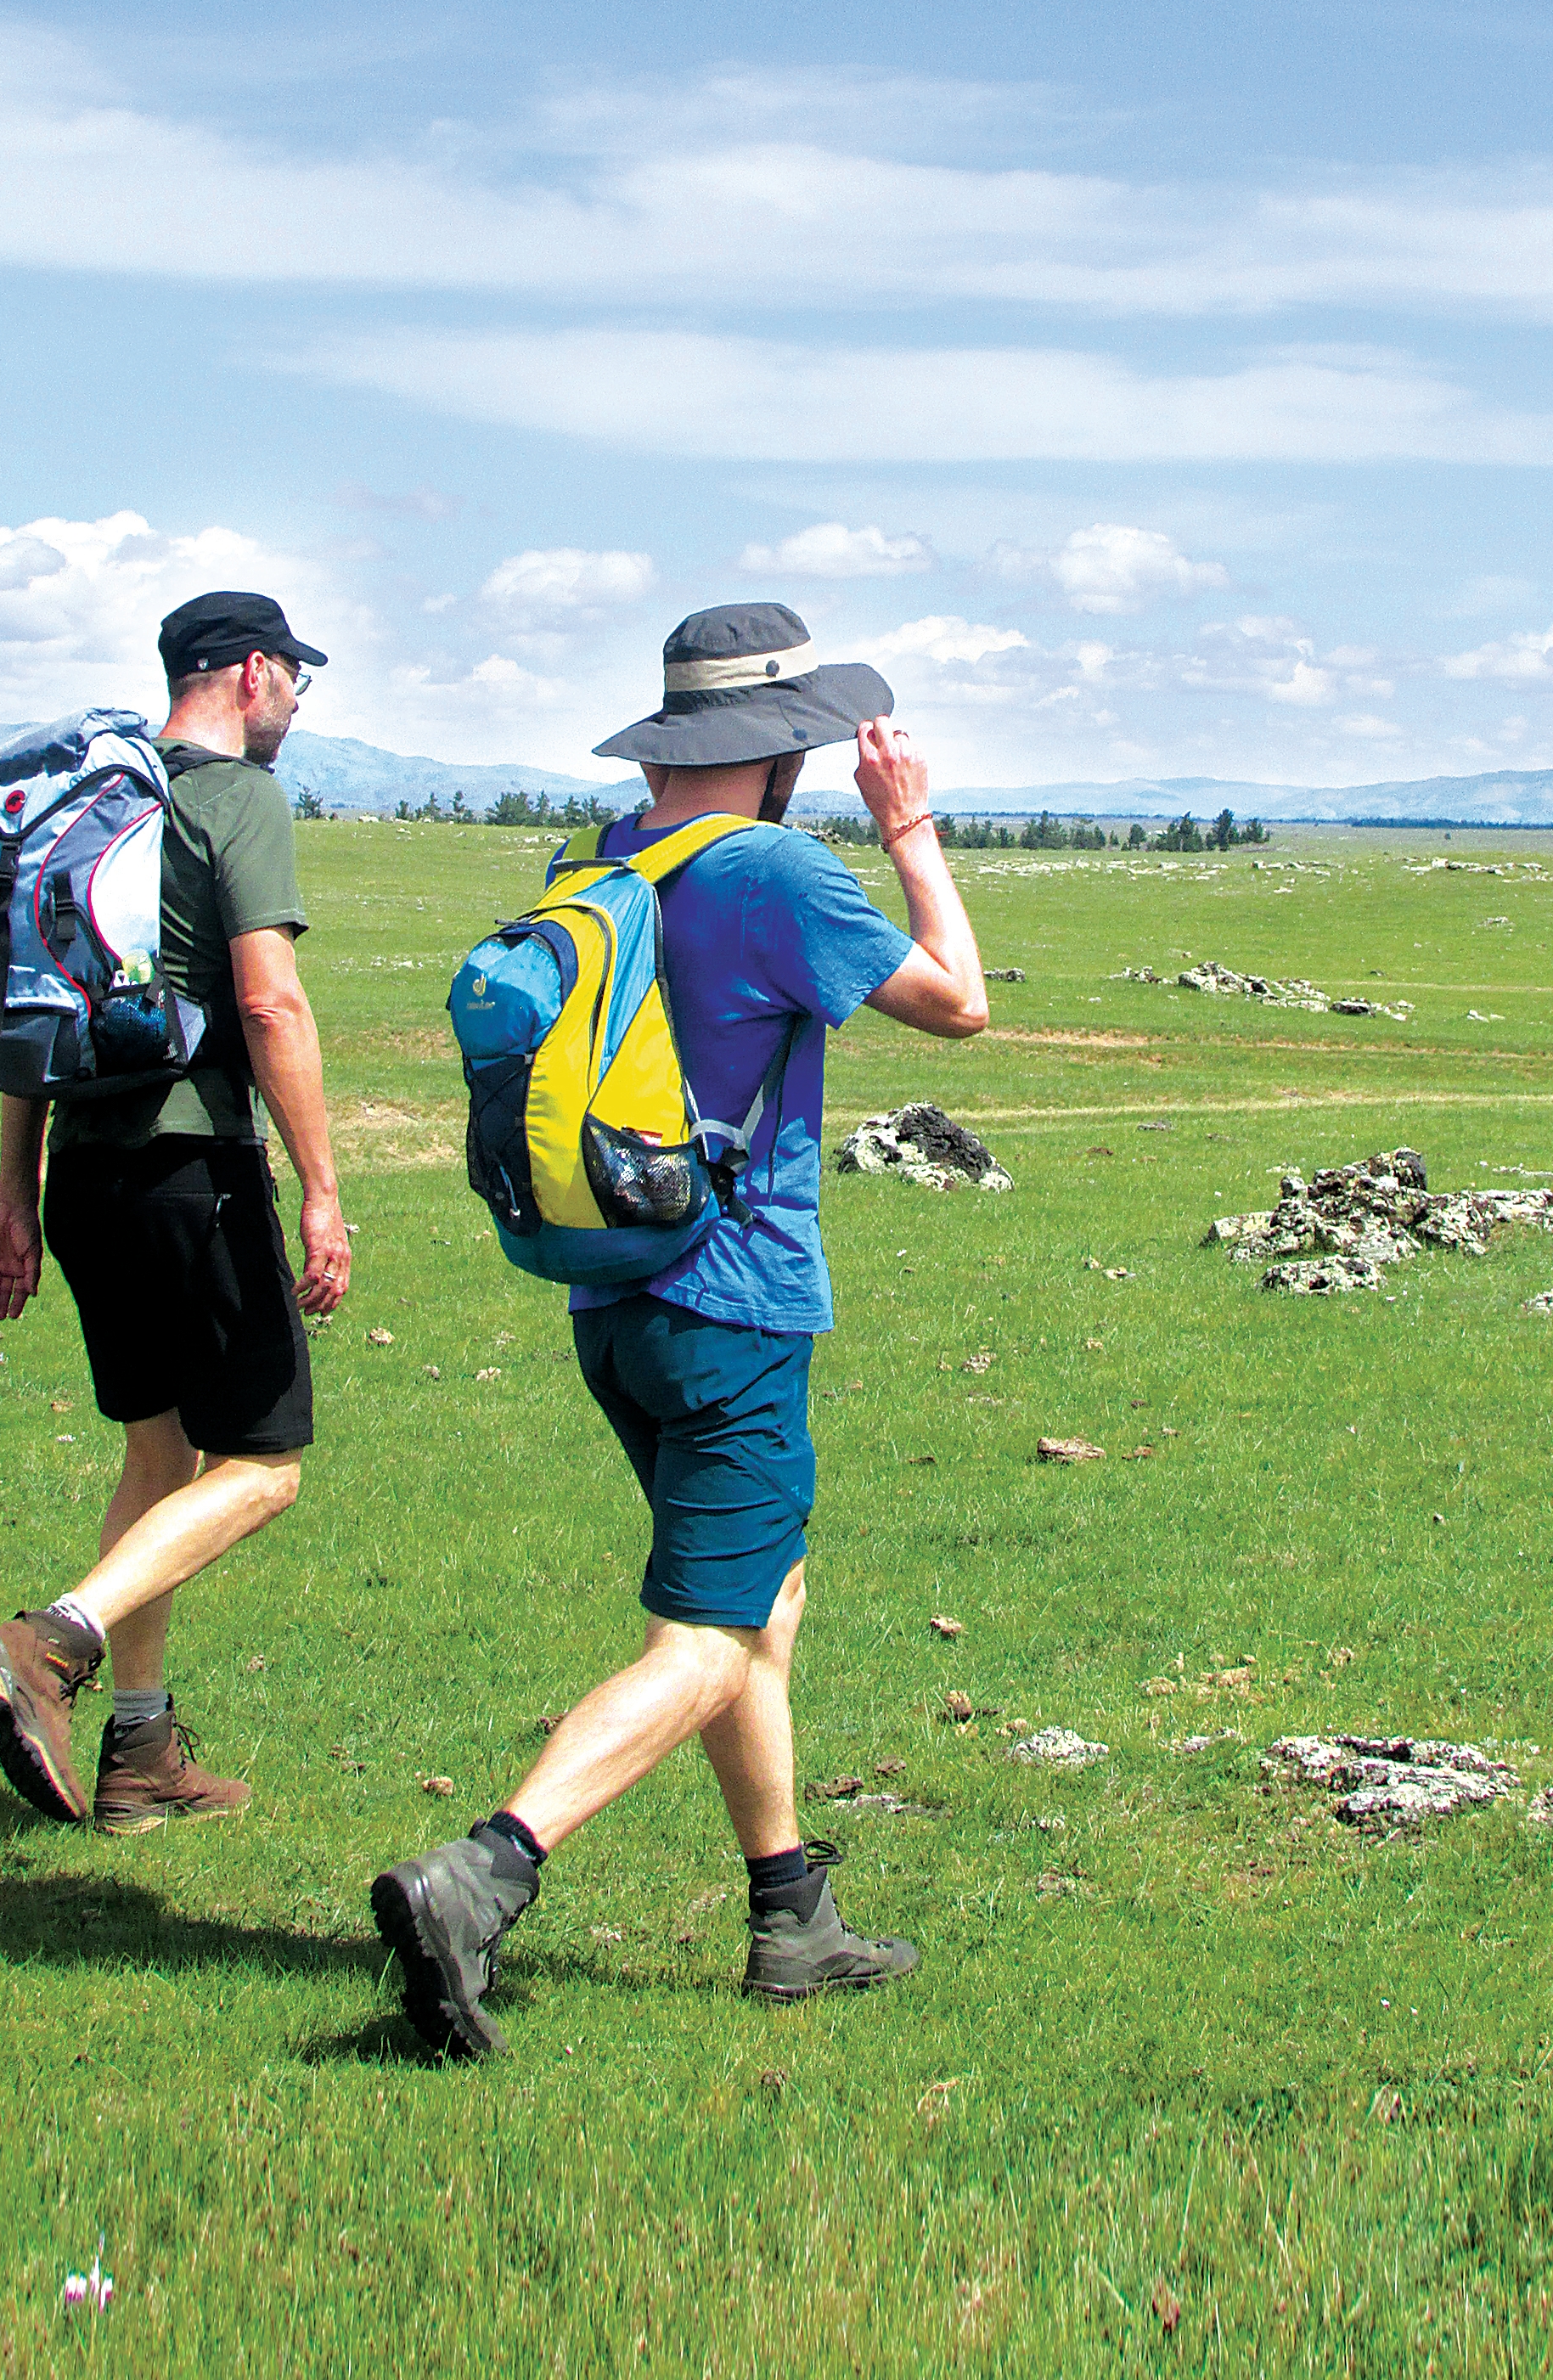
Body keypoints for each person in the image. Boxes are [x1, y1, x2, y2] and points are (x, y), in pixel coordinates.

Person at [372, 601, 986, 2055]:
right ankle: (482, 1874)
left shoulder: (599, 861)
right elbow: (957, 1001)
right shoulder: (773, 865)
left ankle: (792, 1917)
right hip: (736, 1301)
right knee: (712, 1633)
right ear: (782, 753)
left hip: (613, 1299)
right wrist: (910, 830)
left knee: (755, 1606)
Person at [0, 590, 353, 1832]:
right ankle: (53, 1643)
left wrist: (13, 1192)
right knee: (264, 1468)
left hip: (84, 1176)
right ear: (247, 670)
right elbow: (273, 1004)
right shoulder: (235, 799)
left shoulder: (99, 803)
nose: (297, 696)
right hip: (194, 1169)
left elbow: (37, 1007)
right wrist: (324, 1189)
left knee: (158, 1446)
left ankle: (138, 1751)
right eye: (294, 673)